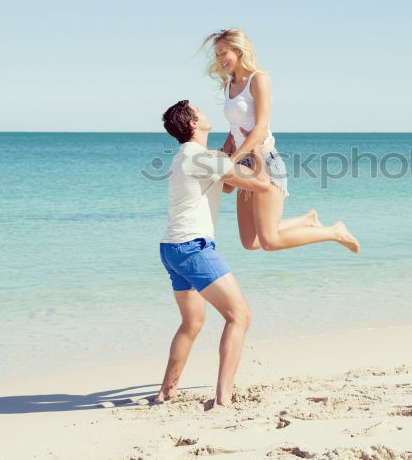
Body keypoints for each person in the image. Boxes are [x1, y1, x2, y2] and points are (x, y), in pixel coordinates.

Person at [153, 99, 272, 408]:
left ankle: (167, 391)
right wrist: (256, 150)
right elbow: (260, 184)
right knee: (240, 316)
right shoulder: (204, 158)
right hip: (194, 248)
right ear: (194, 124)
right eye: (200, 112)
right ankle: (223, 398)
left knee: (192, 324)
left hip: (172, 248)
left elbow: (227, 186)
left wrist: (230, 154)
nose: (205, 113)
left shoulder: (186, 156)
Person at [199, 28, 360, 253]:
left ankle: (334, 231)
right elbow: (235, 128)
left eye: (223, 53)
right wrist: (221, 156)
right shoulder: (229, 85)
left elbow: (261, 127)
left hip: (264, 161)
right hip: (243, 163)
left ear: (238, 50)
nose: (219, 60)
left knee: (270, 242)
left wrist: (231, 160)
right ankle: (308, 220)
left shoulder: (259, 79)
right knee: (250, 242)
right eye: (217, 55)